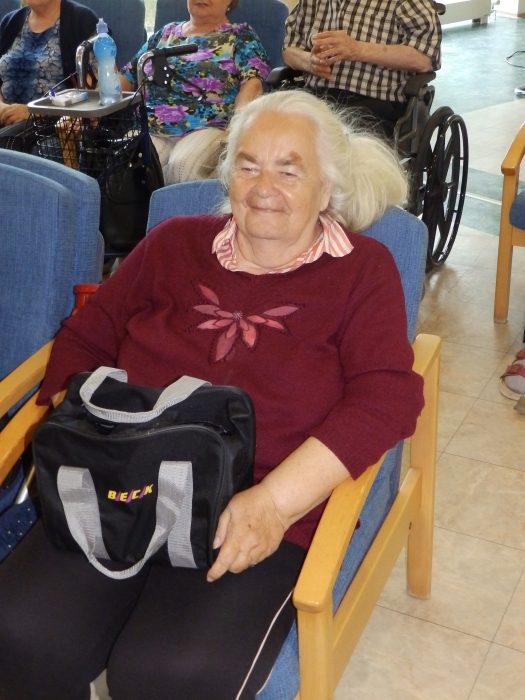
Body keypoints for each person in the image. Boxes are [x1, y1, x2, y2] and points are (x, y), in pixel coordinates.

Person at [0, 90, 424, 700]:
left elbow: (385, 398)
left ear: (328, 187)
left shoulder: (363, 270)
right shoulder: (174, 243)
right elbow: (88, 337)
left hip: (252, 504)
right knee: (20, 634)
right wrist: (82, 439)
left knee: (169, 671)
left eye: (289, 170)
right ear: (227, 174)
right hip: (121, 484)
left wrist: (275, 503)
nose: (264, 187)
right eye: (248, 165)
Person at [120, 0, 271, 185]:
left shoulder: (240, 36)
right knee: (126, 165)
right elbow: (127, 77)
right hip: (152, 127)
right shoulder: (165, 34)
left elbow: (253, 84)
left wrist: (236, 127)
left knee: (183, 168)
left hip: (209, 127)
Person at [283, 0, 442, 137]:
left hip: (374, 103)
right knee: (282, 132)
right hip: (316, 98)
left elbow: (425, 58)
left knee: (335, 143)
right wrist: (308, 62)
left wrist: (357, 49)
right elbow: (289, 49)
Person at [0, 0, 98, 146]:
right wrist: (2, 108)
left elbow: (93, 92)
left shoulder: (82, 20)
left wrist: (33, 112)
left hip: (53, 125)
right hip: (6, 119)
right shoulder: (10, 22)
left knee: (6, 143)